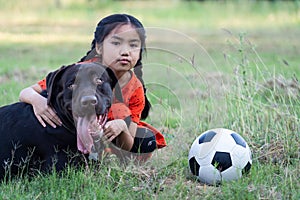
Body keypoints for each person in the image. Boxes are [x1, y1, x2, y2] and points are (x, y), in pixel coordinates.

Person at [19, 13, 167, 161]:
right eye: (116, 43)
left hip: (109, 133)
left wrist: (121, 126)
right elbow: (26, 92)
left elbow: (128, 143)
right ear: (99, 47)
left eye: (133, 45)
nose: (125, 52)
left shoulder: (135, 88)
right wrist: (37, 101)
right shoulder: (80, 72)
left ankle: (108, 154)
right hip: (73, 129)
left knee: (146, 140)